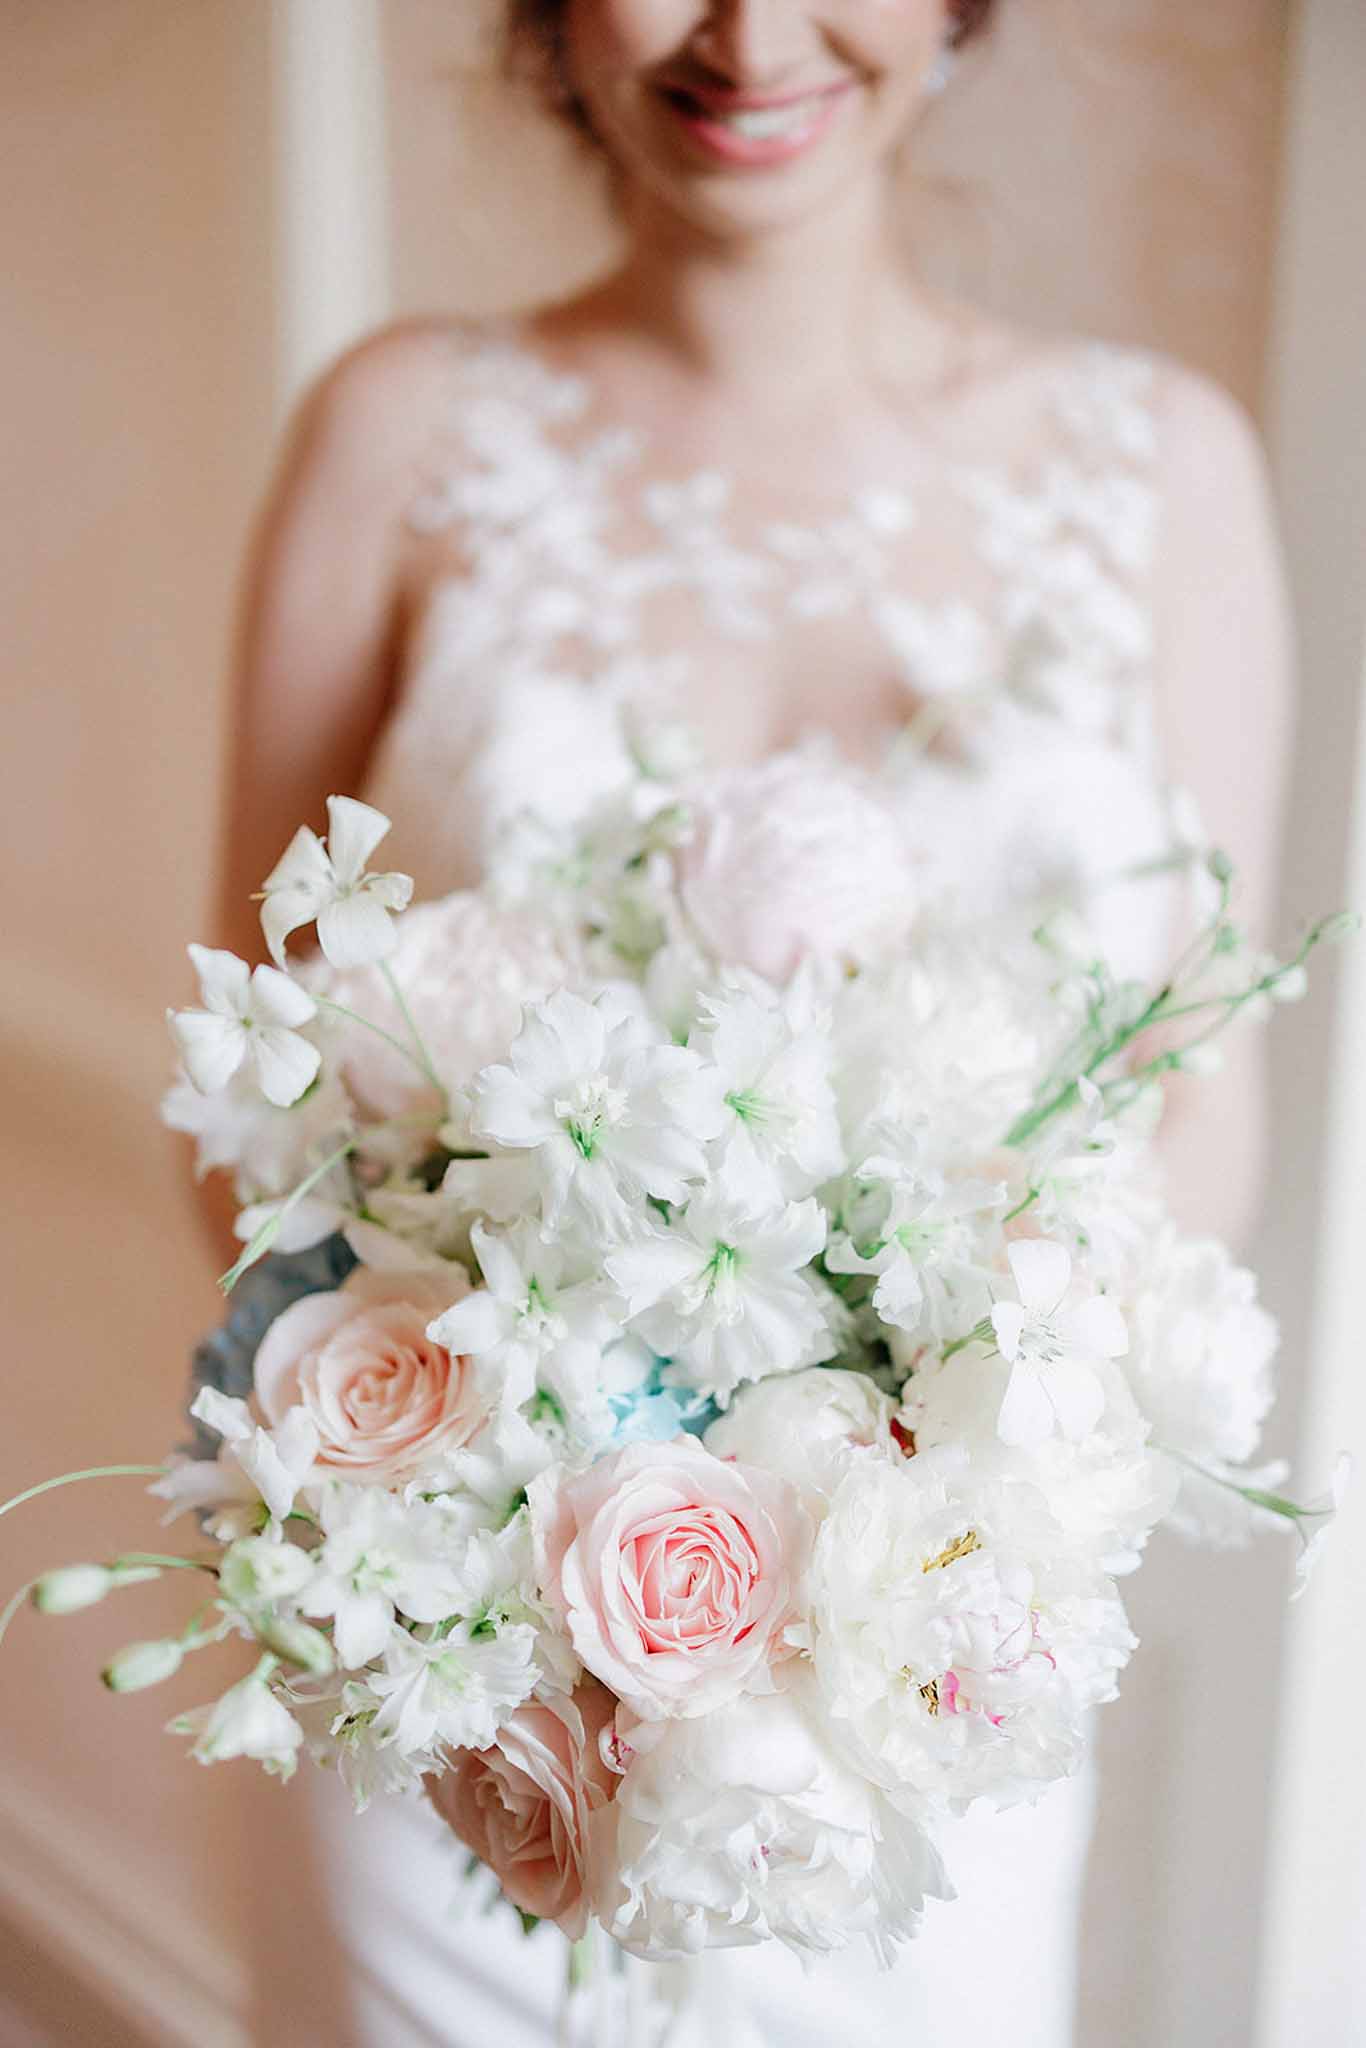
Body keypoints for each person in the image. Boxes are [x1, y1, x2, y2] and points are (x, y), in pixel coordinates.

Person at [209, 3, 1292, 2041]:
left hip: (926, 1686)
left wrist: (974, 1504)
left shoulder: (1157, 472)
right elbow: (252, 1091)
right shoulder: (403, 428)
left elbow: (1192, 1097)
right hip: (474, 1692)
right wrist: (466, 1544)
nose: (744, 27)